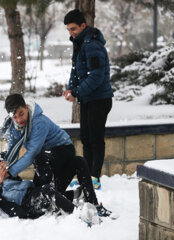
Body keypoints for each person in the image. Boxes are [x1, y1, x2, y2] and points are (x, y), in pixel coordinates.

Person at [0, 94, 112, 217]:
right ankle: (83, 201)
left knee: (39, 159)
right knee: (77, 163)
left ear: (26, 107)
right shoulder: (14, 127)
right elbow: (12, 153)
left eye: (21, 113)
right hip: (46, 158)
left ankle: (89, 206)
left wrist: (10, 172)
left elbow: (31, 153)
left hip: (62, 149)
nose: (19, 119)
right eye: (15, 116)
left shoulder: (39, 122)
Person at [63, 9, 113, 190]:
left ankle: (94, 177)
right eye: (68, 30)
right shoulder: (80, 42)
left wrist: (76, 93)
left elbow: (96, 76)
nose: (71, 33)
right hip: (88, 98)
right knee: (85, 138)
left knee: (95, 139)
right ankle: (87, 176)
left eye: (73, 29)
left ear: (83, 25)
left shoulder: (92, 44)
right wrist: (71, 88)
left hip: (99, 99)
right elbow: (76, 70)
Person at [0, 161, 88, 220]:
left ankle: (75, 195)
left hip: (31, 190)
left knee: (41, 162)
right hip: (26, 204)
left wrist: (8, 173)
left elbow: (18, 181)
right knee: (46, 190)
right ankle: (78, 214)